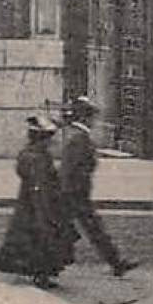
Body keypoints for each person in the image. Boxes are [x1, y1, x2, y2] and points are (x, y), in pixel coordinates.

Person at [0, 115, 76, 289]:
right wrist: (47, 209)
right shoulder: (37, 158)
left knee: (33, 239)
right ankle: (41, 275)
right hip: (39, 204)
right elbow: (40, 185)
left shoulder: (31, 154)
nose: (51, 142)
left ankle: (40, 273)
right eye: (48, 139)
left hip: (30, 204)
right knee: (43, 239)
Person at [59, 96, 139, 277]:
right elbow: (69, 170)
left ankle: (116, 263)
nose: (95, 121)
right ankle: (42, 266)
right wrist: (68, 193)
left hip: (76, 194)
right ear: (85, 117)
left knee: (90, 229)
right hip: (74, 195)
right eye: (93, 117)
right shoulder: (79, 138)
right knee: (78, 230)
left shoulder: (78, 136)